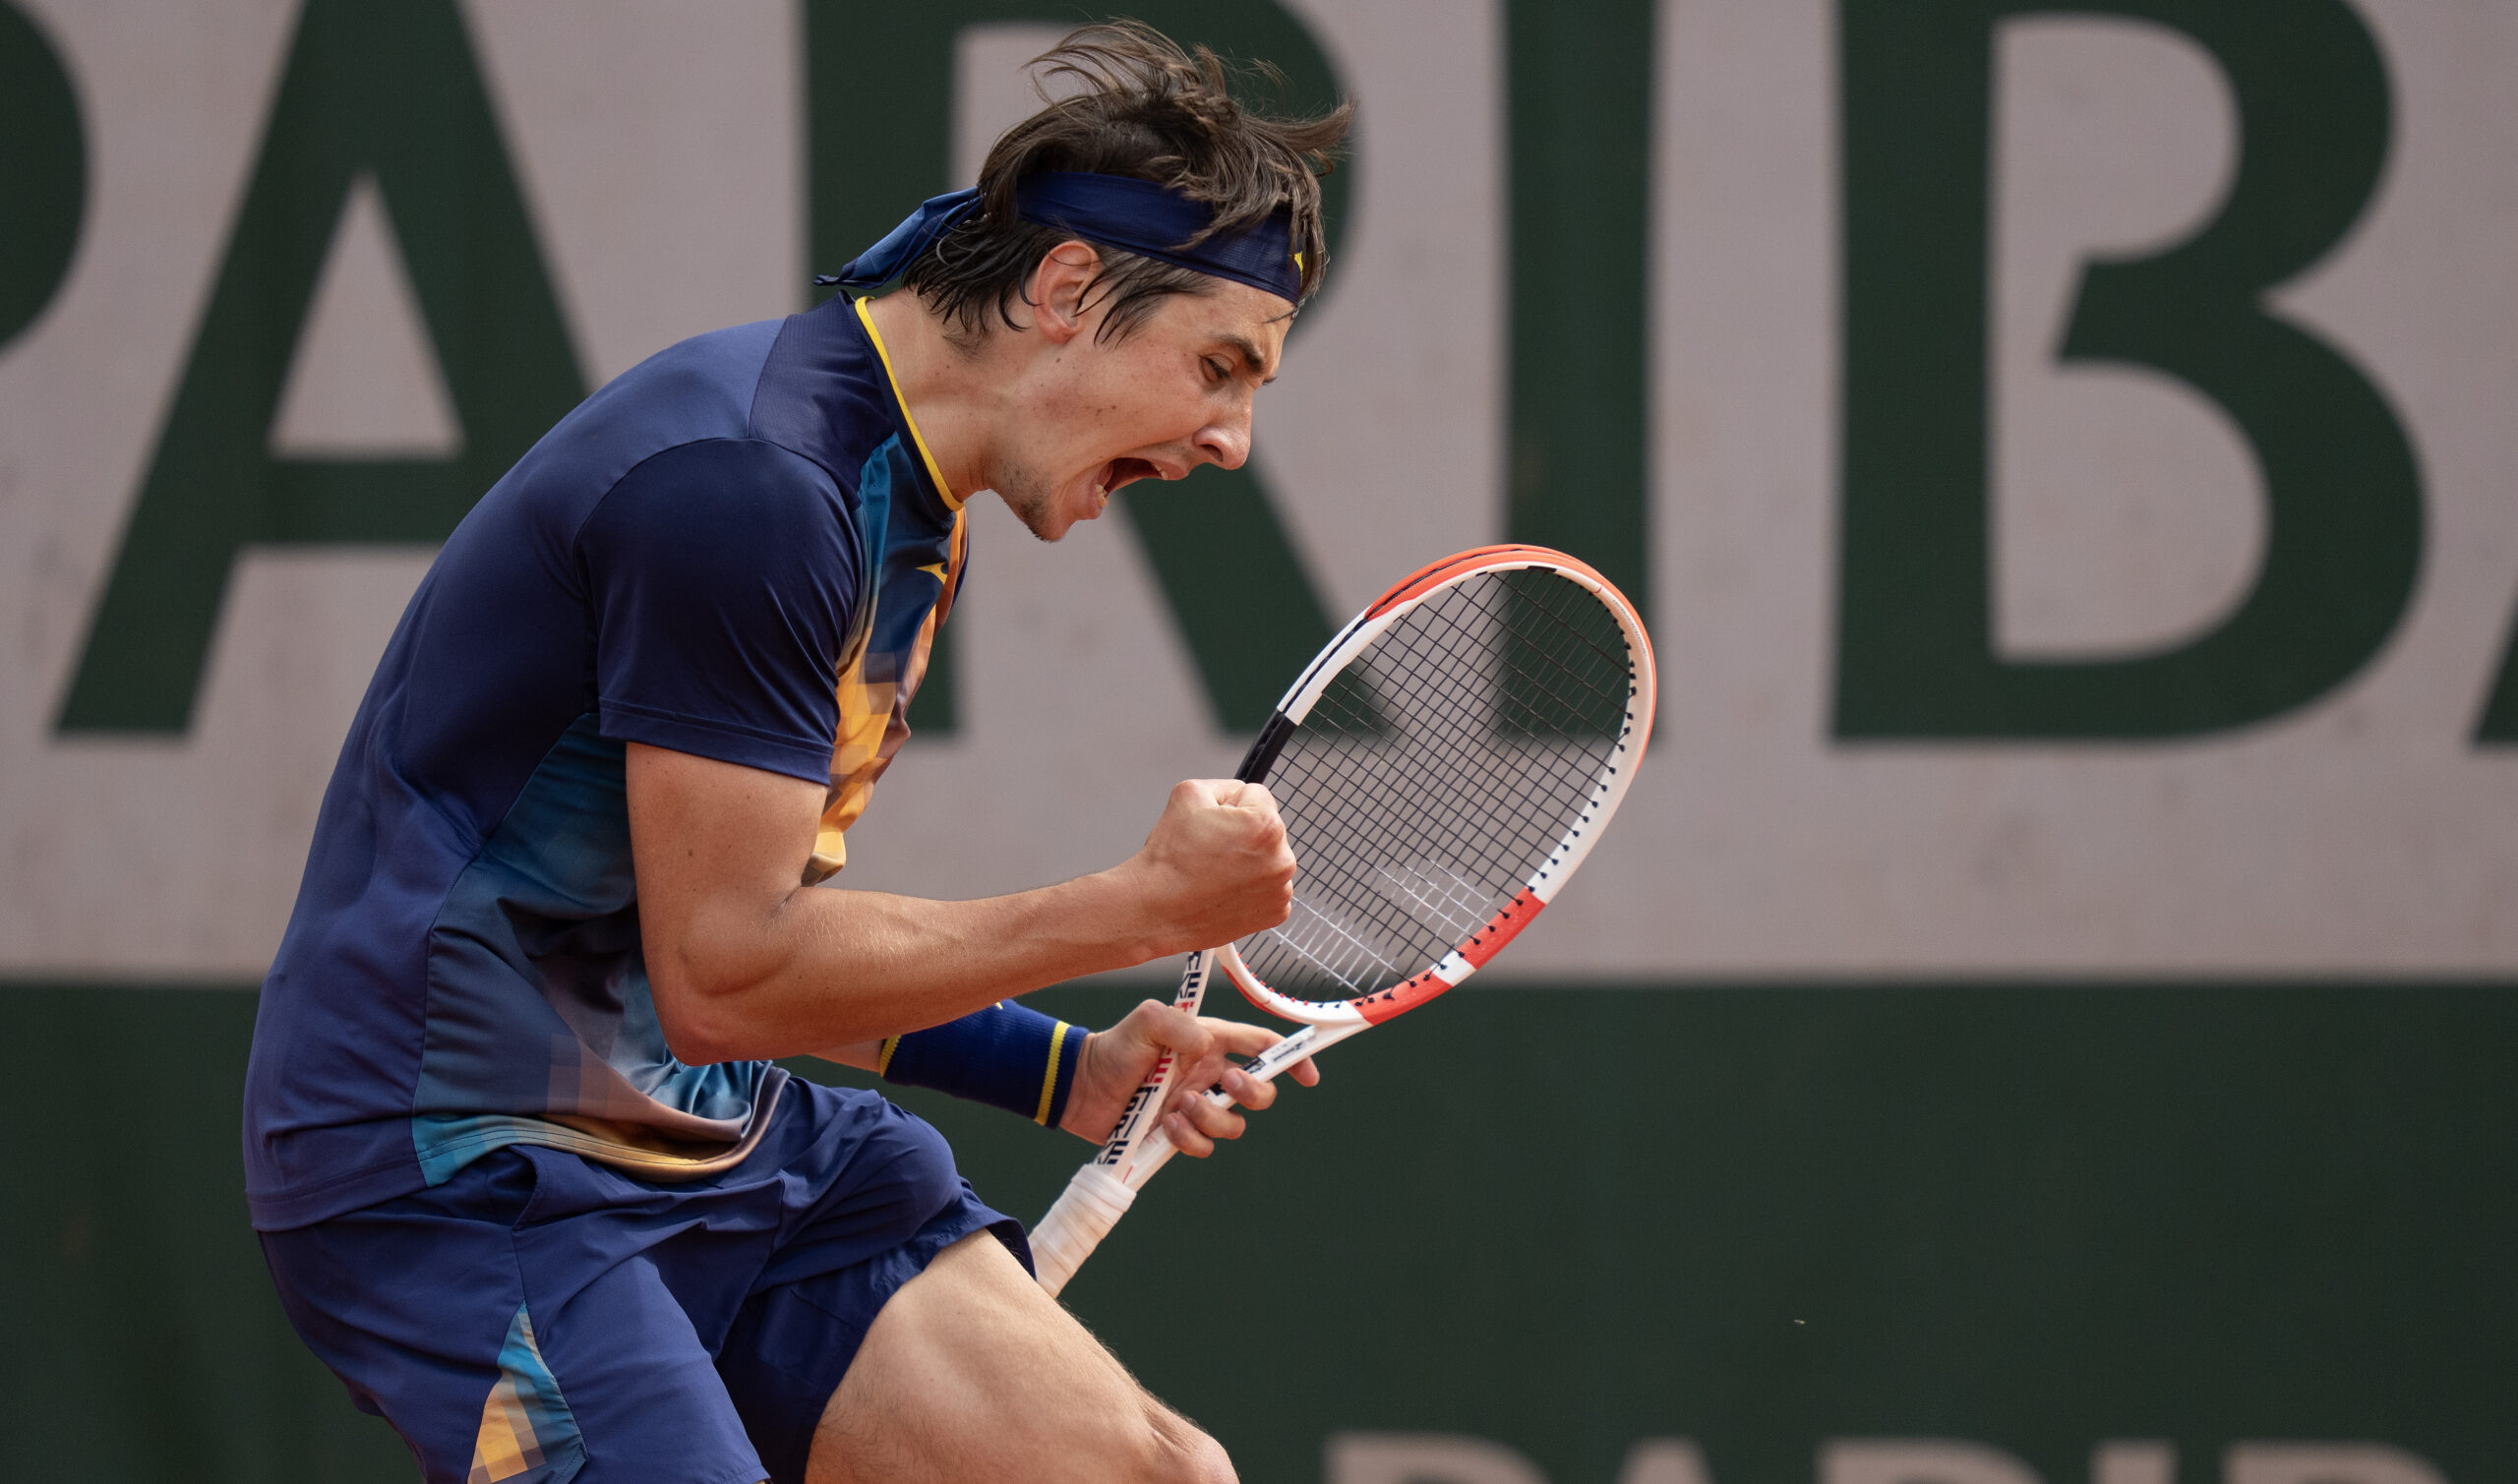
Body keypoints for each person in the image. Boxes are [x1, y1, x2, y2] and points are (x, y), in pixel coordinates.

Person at [242, 23, 1351, 1484]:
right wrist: (1135, 909)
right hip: (459, 1173)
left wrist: (1064, 1070)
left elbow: (728, 947)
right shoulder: (755, 495)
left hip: (709, 1145)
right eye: (1220, 365)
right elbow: (727, 971)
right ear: (1069, 288)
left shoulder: (908, 508)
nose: (1232, 440)